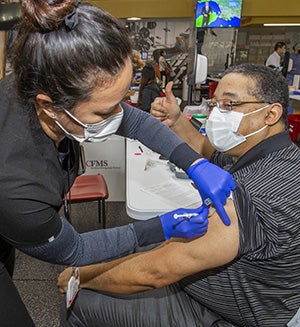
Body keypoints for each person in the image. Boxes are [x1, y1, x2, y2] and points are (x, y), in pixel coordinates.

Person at [0, 1, 235, 326]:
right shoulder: (15, 185)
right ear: (49, 105)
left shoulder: (41, 78)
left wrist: (194, 163)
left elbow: (136, 122)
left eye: (121, 100)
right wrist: (159, 227)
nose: (119, 116)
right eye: (103, 111)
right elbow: (75, 250)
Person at [58, 64, 300, 327]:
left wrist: (81, 276)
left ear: (271, 114)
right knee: (139, 248)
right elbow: (206, 151)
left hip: (223, 315)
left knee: (79, 302)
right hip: (229, 286)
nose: (217, 114)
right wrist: (176, 119)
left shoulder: (256, 197)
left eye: (229, 105)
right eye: (215, 104)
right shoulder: (271, 154)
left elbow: (155, 272)